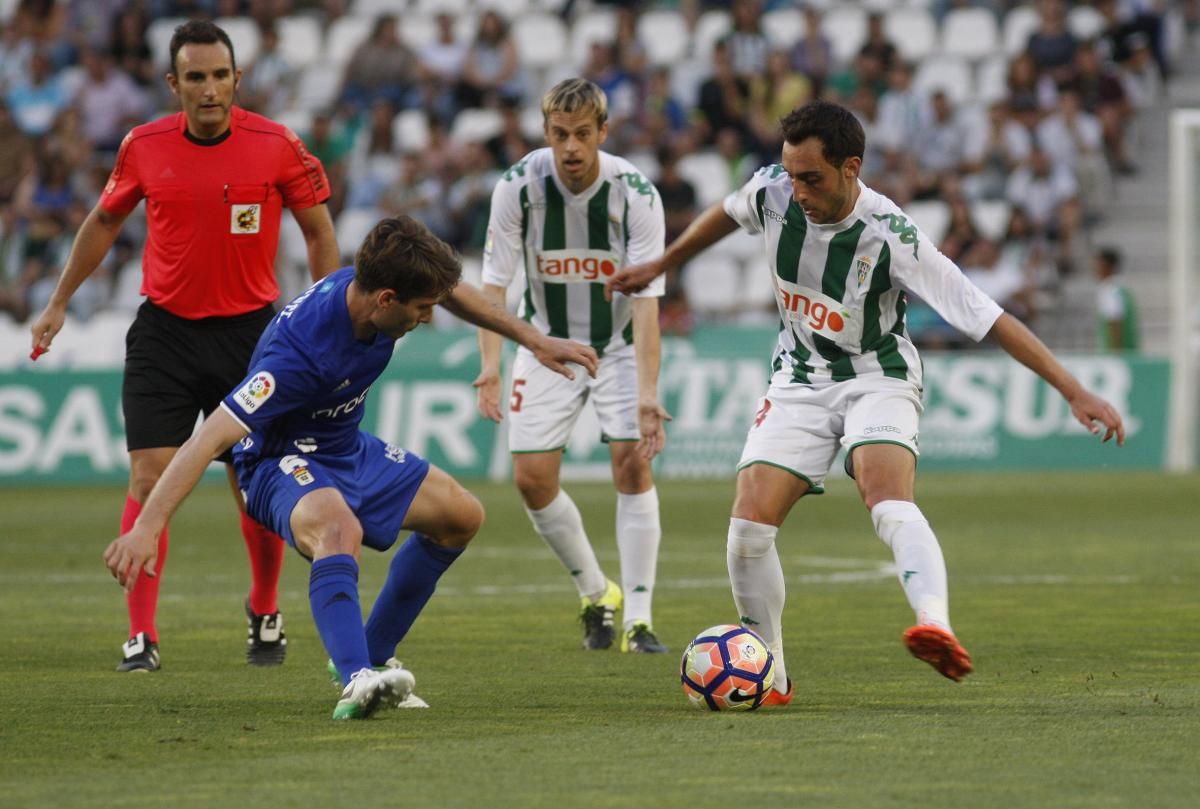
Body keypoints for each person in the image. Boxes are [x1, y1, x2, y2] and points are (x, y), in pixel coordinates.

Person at [608, 100, 1125, 702]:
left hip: (878, 377)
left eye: (812, 178)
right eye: (791, 173)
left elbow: (987, 317)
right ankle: (770, 672)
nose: (796, 190)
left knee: (885, 498)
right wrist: (665, 262)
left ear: (851, 168)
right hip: (799, 378)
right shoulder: (772, 191)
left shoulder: (891, 233)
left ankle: (934, 622)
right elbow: (724, 215)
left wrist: (1073, 388)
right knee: (747, 526)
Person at [103, 215, 599, 719]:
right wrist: (148, 525)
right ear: (386, 300)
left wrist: (533, 339)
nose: (428, 317)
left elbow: (452, 292)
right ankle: (356, 677)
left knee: (461, 517)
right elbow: (208, 439)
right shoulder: (297, 353)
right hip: (276, 462)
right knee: (340, 529)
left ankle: (374, 658)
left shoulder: (377, 291)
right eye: (421, 309)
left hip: (343, 447)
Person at [29, 20, 340, 673]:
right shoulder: (143, 146)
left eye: (219, 75)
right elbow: (104, 220)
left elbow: (318, 230)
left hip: (254, 338)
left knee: (251, 484)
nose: (208, 89)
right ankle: (142, 635)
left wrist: (325, 316)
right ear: (173, 84)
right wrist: (57, 303)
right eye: (194, 77)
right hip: (165, 332)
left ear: (236, 79)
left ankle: (263, 608)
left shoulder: (278, 144)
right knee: (149, 475)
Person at [474, 78, 672, 654]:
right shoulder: (517, 187)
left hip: (617, 346)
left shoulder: (635, 193)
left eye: (583, 135)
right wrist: (491, 362)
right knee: (531, 478)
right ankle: (595, 592)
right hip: (545, 344)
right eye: (560, 135)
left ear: (603, 133)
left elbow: (647, 302)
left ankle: (639, 619)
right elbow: (495, 284)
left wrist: (648, 391)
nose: (571, 149)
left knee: (631, 464)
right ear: (546, 134)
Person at [1093, 246, 1139, 351]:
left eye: (1097, 263)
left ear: (1107, 265)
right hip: (1130, 351)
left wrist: (1115, 352)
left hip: (1115, 354)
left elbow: (1115, 321)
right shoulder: (1123, 289)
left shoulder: (1109, 290)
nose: (1094, 268)